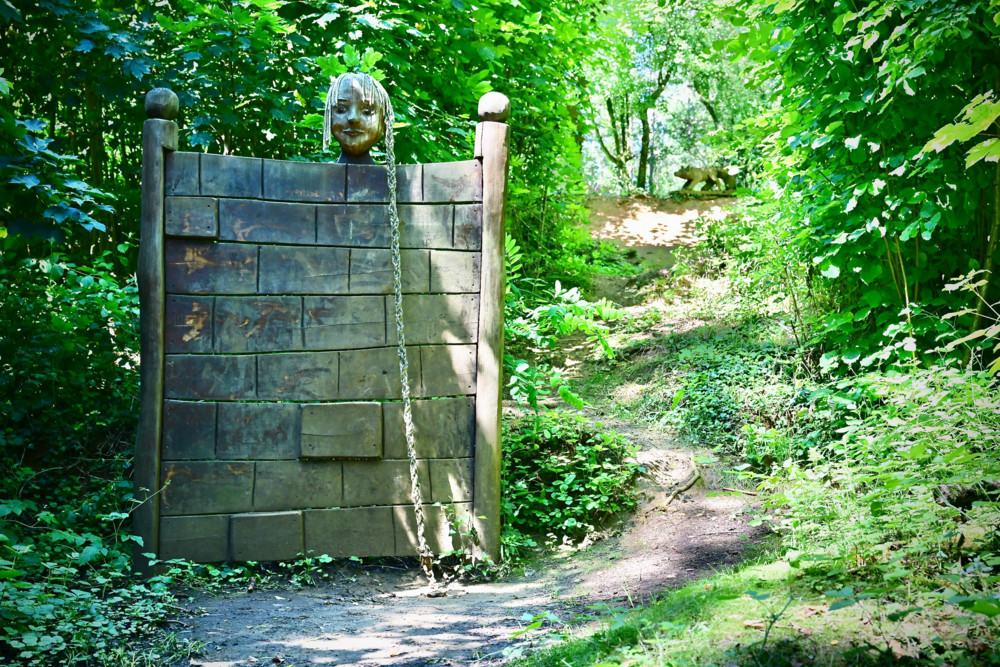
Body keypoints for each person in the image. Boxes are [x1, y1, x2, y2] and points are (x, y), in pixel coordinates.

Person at [323, 72, 391, 165]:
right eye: (341, 109)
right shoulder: (310, 177)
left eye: (367, 111)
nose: (353, 118)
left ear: (383, 119)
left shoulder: (401, 178)